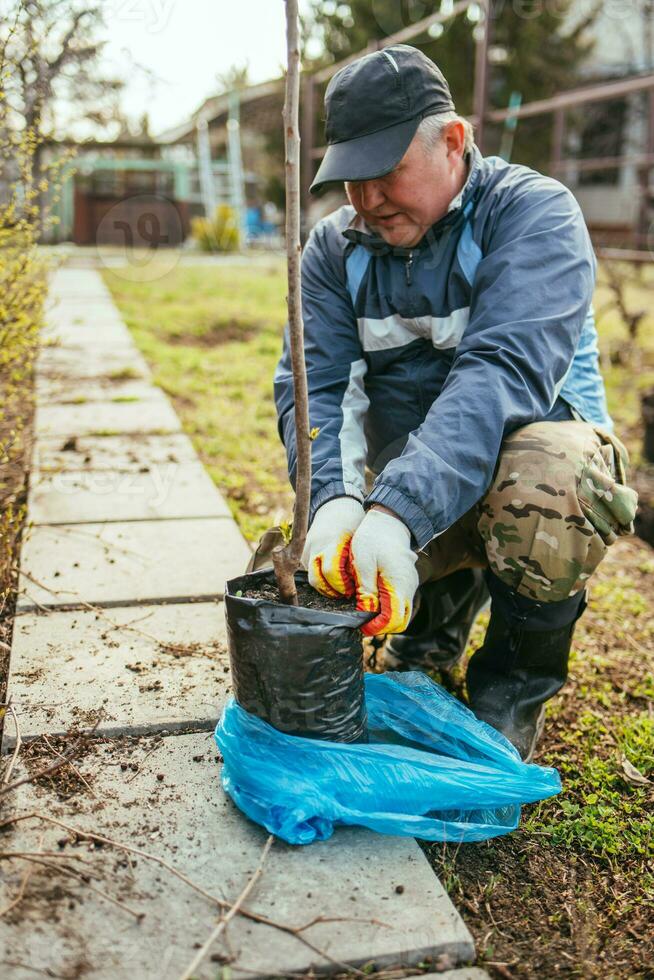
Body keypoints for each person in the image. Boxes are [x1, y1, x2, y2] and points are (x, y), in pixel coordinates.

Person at [269, 45, 638, 761]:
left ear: (453, 141)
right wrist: (337, 505)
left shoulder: (533, 217)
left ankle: (513, 685)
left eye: (386, 173)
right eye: (352, 179)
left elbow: (501, 374)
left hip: (528, 488)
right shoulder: (332, 250)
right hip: (410, 490)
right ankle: (427, 636)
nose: (368, 199)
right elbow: (312, 383)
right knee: (313, 546)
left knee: (546, 475)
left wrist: (398, 514)